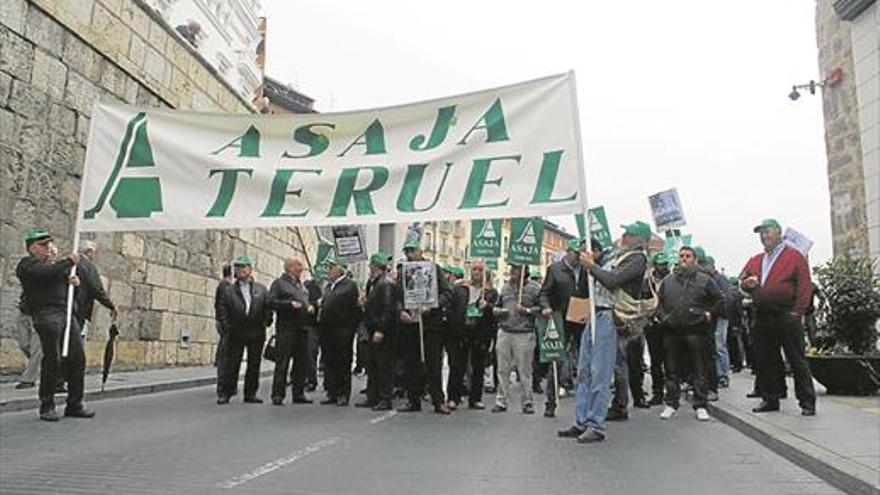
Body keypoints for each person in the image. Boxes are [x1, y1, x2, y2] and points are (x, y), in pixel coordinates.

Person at [557, 221, 650, 443]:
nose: (622, 236)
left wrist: (591, 266)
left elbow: (612, 280)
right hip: (594, 315)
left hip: (609, 317)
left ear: (636, 239)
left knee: (600, 372)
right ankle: (581, 421)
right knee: (584, 371)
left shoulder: (638, 259)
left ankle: (596, 424)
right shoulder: (614, 256)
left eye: (627, 233)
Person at [740, 219, 816, 416]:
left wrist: (797, 312)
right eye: (761, 233)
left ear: (779, 233)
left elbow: (804, 286)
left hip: (786, 315)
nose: (764, 236)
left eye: (768, 232)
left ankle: (807, 402)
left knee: (797, 360)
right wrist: (746, 284)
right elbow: (743, 280)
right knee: (766, 360)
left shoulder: (794, 256)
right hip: (763, 316)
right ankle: (770, 398)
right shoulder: (756, 259)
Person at [15, 229, 92, 421]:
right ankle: (47, 405)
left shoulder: (54, 268)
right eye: (43, 245)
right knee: (52, 359)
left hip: (65, 314)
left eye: (49, 245)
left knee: (77, 358)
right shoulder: (27, 265)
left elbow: (58, 282)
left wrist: (72, 282)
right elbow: (45, 274)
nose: (48, 248)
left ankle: (74, 404)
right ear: (32, 247)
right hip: (46, 314)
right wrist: (68, 262)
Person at [656, 246, 722, 421]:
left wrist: (709, 314)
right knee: (671, 369)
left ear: (695, 259)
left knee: (699, 368)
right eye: (681, 256)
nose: (684, 259)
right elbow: (658, 303)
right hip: (672, 331)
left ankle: (700, 405)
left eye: (688, 256)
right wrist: (664, 318)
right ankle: (671, 403)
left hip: (697, 331)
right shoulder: (668, 281)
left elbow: (719, 299)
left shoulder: (704, 280)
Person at [396, 241, 453, 414]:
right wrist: (401, 311)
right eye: (406, 251)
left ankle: (438, 401)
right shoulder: (404, 271)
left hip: (431, 326)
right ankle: (413, 400)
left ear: (421, 251)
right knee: (411, 364)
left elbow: (447, 293)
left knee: (433, 364)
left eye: (412, 251)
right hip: (410, 325)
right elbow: (398, 296)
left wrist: (432, 306)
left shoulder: (434, 269)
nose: (409, 254)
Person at [539, 237, 589, 418]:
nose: (578, 256)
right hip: (561, 318)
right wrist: (546, 306)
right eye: (576, 253)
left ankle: (587, 402)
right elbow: (544, 292)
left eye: (580, 254)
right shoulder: (554, 269)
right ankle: (550, 402)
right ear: (568, 252)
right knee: (556, 360)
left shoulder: (586, 269)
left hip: (582, 318)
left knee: (586, 359)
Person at [215, 256, 272, 405]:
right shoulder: (229, 290)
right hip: (236, 331)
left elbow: (268, 308)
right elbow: (221, 309)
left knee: (254, 364)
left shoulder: (261, 289)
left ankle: (250, 393)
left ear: (250, 269)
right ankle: (226, 393)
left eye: (243, 267)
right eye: (238, 268)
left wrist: (265, 323)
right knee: (231, 364)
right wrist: (226, 327)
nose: (240, 270)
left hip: (256, 332)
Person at [493, 264, 542, 414]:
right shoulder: (505, 287)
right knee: (502, 369)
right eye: (512, 268)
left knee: (525, 370)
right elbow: (496, 306)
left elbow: (542, 308)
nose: (512, 271)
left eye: (516, 269)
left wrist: (526, 310)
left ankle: (527, 401)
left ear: (524, 271)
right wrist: (498, 311)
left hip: (524, 333)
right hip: (505, 331)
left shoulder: (534, 289)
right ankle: (501, 401)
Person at [268, 257, 315, 405]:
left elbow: (305, 300)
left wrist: (310, 306)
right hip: (287, 329)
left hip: (302, 328)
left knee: (301, 363)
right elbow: (270, 302)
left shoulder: (300, 286)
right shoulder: (279, 284)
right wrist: (289, 304)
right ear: (290, 268)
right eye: (299, 265)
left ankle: (298, 393)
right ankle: (278, 394)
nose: (302, 268)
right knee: (283, 362)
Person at [318, 257, 361, 406]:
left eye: (331, 268)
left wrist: (350, 330)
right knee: (329, 362)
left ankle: (343, 393)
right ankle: (332, 391)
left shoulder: (349, 285)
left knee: (342, 362)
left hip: (342, 330)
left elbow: (353, 310)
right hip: (327, 330)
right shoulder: (329, 286)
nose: (328, 271)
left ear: (339, 270)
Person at [357, 252, 396, 411]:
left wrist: (381, 330)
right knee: (372, 365)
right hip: (372, 327)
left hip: (382, 331)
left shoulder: (385, 284)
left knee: (383, 365)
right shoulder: (372, 283)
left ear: (375, 267)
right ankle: (372, 396)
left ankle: (385, 398)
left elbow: (388, 309)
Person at [74, 240, 117, 339]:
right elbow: (97, 289)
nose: (94, 256)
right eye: (94, 253)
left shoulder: (70, 262)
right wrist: (111, 306)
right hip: (79, 309)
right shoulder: (88, 266)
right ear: (89, 251)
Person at [644, 252, 672, 406]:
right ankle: (658, 393)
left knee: (670, 361)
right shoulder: (647, 282)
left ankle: (671, 392)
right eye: (661, 264)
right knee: (655, 361)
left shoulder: (672, 280)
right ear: (655, 265)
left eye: (665, 264)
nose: (664, 267)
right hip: (652, 326)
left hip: (669, 325)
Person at [443, 264, 469, 410]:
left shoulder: (454, 290)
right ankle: (456, 395)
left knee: (455, 365)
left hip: (453, 332)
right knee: (460, 366)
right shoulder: (465, 289)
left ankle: (453, 396)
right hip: (462, 332)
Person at [213, 264, 234, 399]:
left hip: (221, 322)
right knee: (226, 354)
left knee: (224, 351)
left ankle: (225, 384)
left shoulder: (222, 286)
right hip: (225, 323)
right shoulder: (226, 287)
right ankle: (224, 384)